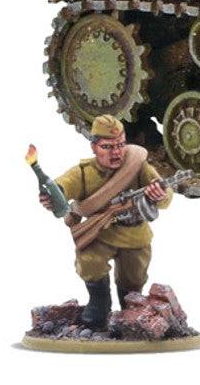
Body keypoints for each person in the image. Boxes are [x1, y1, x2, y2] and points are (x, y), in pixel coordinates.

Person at [39, 114, 171, 330]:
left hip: (135, 233)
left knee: (135, 275)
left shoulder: (138, 166)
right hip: (100, 233)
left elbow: (164, 194)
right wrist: (53, 194)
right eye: (108, 147)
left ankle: (130, 309)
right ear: (94, 147)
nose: (116, 152)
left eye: (120, 145)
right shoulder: (85, 172)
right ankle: (99, 302)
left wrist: (160, 194)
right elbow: (65, 184)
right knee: (89, 259)